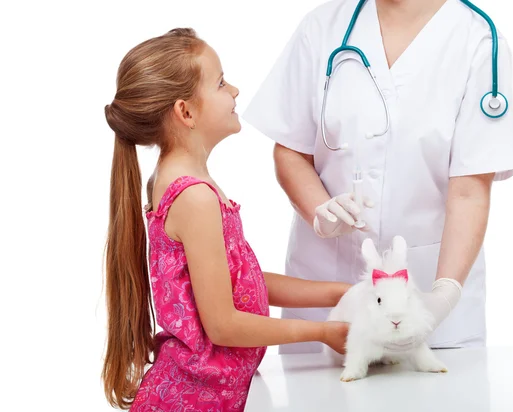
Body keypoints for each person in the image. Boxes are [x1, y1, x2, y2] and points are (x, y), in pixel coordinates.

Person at [243, 0, 513, 354]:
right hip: (325, 294)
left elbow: (469, 188)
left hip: (427, 293)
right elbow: (291, 150)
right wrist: (319, 211)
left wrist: (444, 294)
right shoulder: (323, 27)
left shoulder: (477, 41)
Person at [101, 28, 350, 411]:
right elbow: (223, 324)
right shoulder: (194, 197)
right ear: (185, 111)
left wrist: (335, 293)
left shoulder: (188, 186)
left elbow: (237, 283)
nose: (233, 90)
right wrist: (321, 331)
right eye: (219, 82)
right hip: (197, 399)